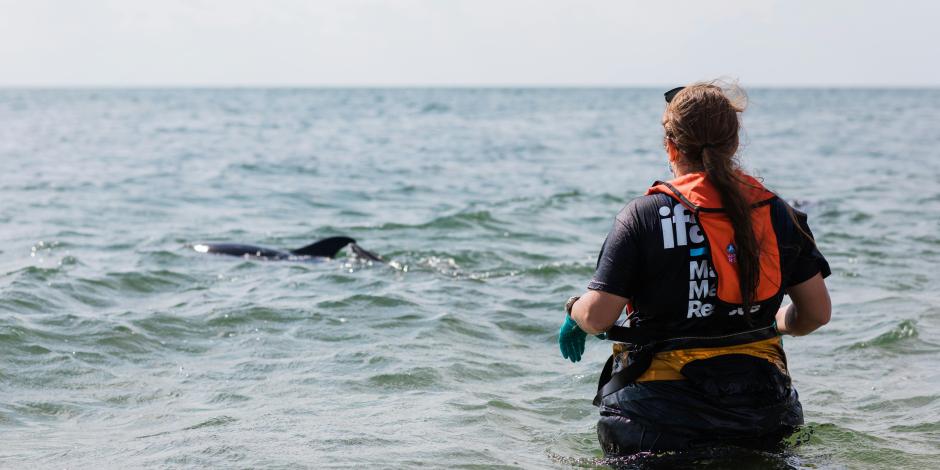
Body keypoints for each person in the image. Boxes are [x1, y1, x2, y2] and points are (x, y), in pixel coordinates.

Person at [557, 82, 832, 456]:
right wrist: (766, 320)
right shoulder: (779, 213)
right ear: (734, 143)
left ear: (671, 146)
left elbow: (599, 316)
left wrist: (573, 310)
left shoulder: (644, 215)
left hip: (657, 422)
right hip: (763, 417)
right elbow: (815, 314)